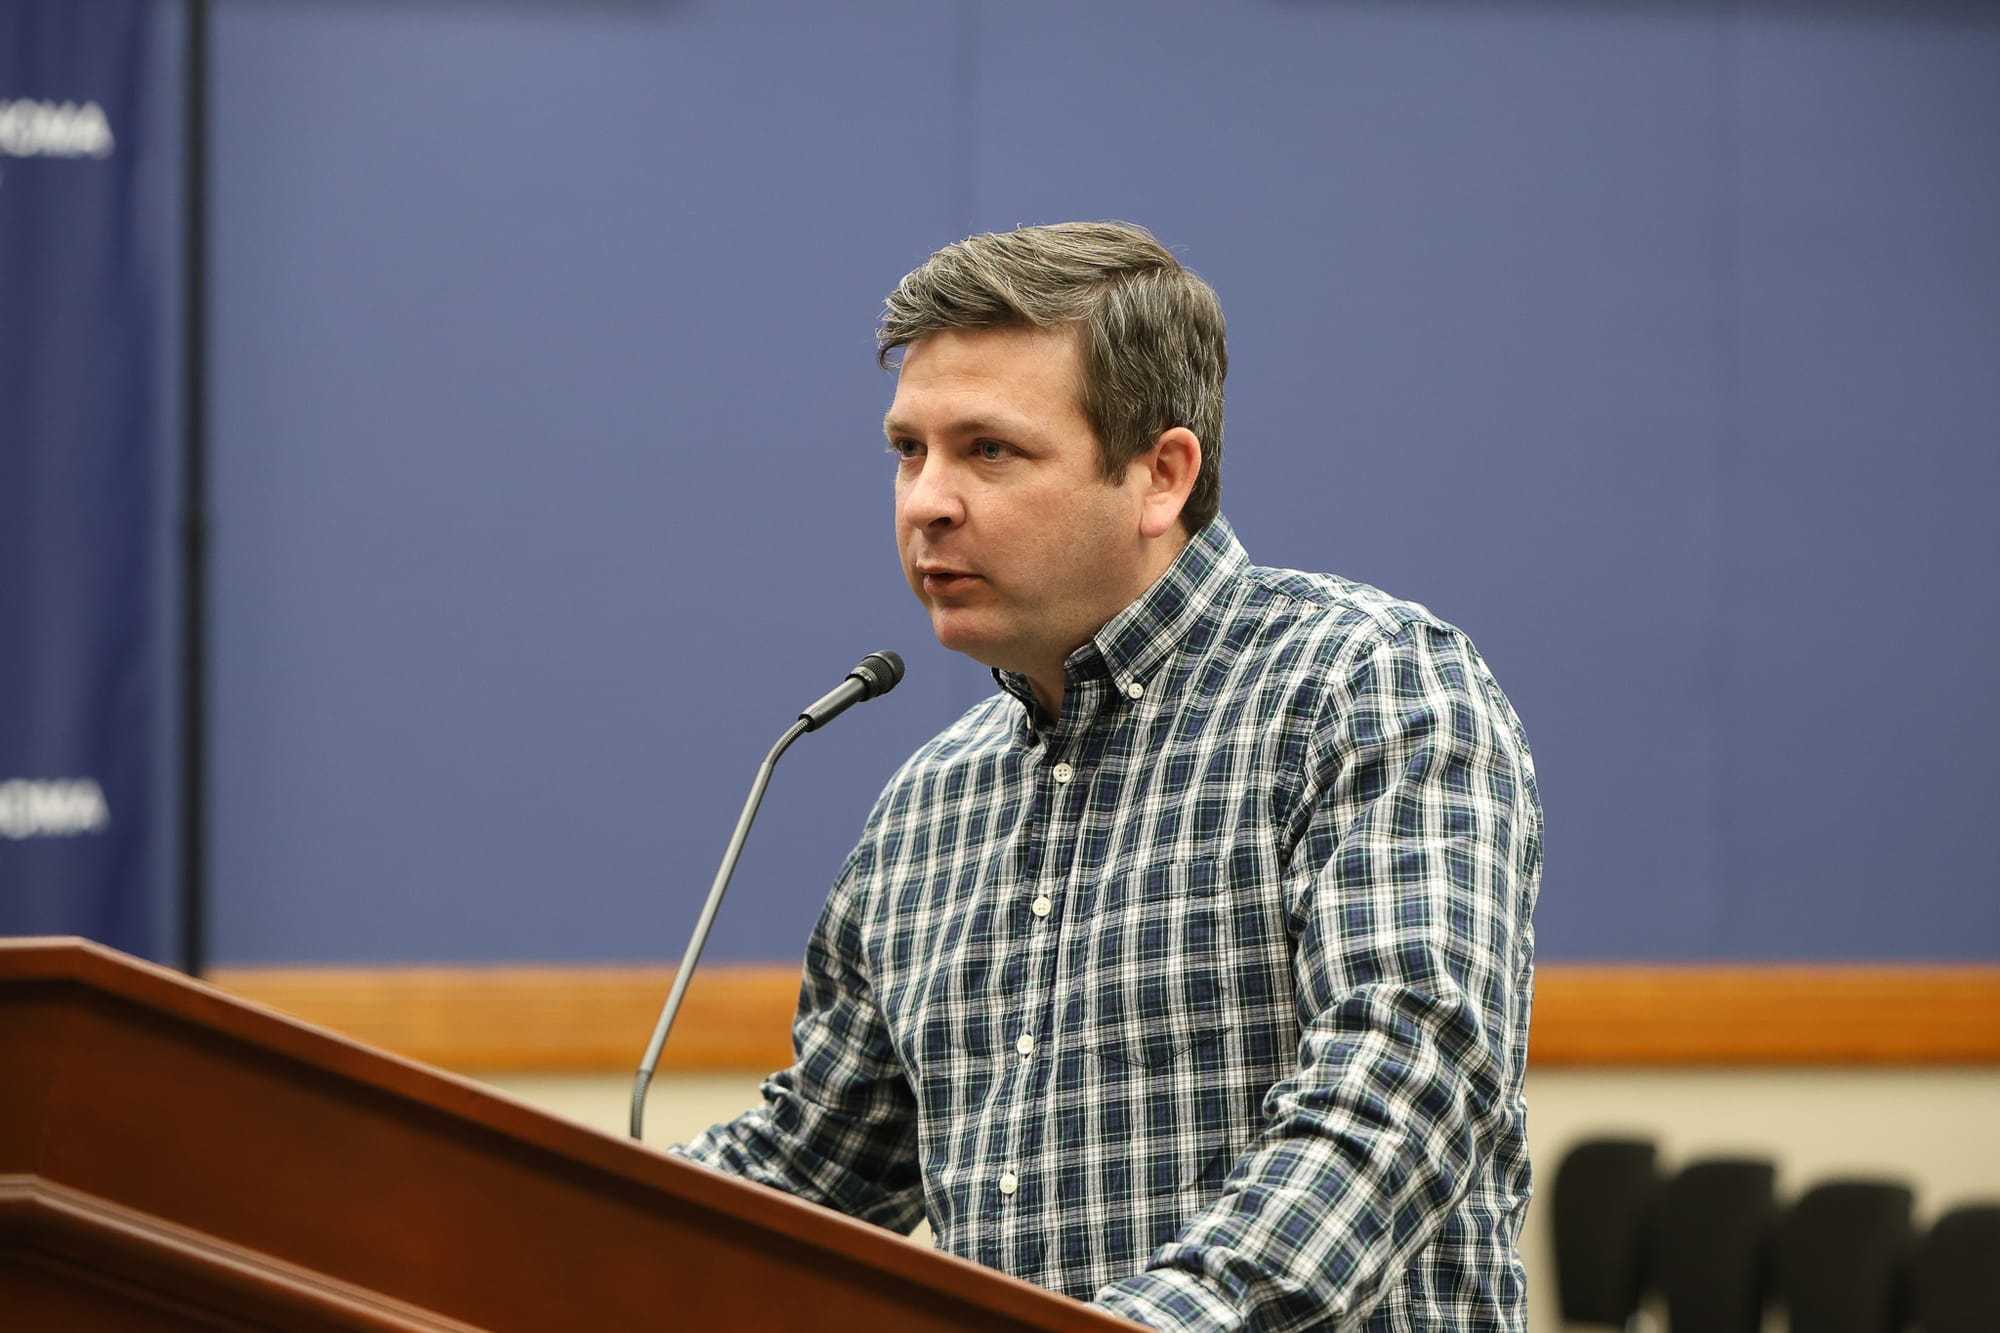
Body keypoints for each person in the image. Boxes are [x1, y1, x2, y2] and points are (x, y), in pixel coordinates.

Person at [676, 221, 1542, 1332]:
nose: (924, 501)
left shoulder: (1364, 688)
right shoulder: (929, 804)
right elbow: (807, 1170)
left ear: (1159, 475)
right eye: (908, 449)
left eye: (988, 450)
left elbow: (1403, 1088)